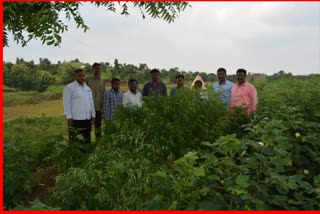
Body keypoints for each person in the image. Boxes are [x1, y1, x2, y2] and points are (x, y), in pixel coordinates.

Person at [63, 69, 95, 144]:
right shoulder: (69, 87)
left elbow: (91, 102)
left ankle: (86, 154)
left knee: (87, 139)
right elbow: (66, 103)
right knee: (75, 140)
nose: (82, 77)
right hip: (76, 119)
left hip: (87, 118)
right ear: (75, 76)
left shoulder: (87, 88)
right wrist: (69, 117)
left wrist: (93, 115)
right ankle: (75, 155)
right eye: (80, 75)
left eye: (83, 75)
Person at [85, 62, 105, 140]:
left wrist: (103, 107)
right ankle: (87, 144)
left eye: (99, 69)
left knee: (98, 127)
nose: (98, 70)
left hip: (98, 108)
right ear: (92, 69)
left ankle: (98, 143)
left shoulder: (102, 81)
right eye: (96, 68)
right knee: (87, 128)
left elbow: (103, 94)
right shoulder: (87, 79)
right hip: (88, 108)